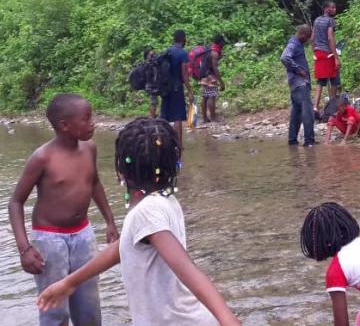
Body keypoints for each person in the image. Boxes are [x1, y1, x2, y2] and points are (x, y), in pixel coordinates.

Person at [36, 118, 241, 325]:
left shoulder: (146, 212)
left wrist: (228, 320)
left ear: (122, 169)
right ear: (174, 163)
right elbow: (122, 247)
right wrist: (70, 282)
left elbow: (187, 269)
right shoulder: (165, 199)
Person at [9, 93, 118, 326]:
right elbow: (15, 202)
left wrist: (109, 221)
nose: (93, 123)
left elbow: (95, 183)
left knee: (89, 305)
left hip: (83, 234)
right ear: (65, 125)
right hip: (50, 240)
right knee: (55, 308)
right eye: (86, 118)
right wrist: (24, 248)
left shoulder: (89, 149)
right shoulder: (43, 158)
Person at [281, 25, 315, 146]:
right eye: (307, 37)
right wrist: (299, 70)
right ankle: (309, 141)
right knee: (307, 112)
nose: (307, 40)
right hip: (300, 83)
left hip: (294, 83)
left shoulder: (295, 43)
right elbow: (285, 57)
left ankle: (292, 140)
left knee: (296, 111)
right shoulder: (294, 44)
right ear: (302, 34)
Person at [161, 29, 194, 149]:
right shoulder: (183, 53)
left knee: (164, 117)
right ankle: (179, 145)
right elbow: (185, 75)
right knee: (177, 117)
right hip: (176, 88)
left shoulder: (167, 51)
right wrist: (190, 90)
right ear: (184, 39)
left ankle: (161, 142)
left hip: (165, 88)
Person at [312, 1, 341, 115]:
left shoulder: (317, 20)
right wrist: (336, 57)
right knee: (334, 80)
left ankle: (315, 107)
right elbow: (330, 38)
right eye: (332, 7)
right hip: (328, 54)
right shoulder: (330, 21)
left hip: (318, 54)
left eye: (335, 7)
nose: (334, 9)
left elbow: (312, 39)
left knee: (320, 81)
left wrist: (314, 51)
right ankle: (331, 108)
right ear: (326, 9)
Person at [201, 34, 227, 123]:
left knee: (205, 96)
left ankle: (204, 118)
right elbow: (215, 68)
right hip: (210, 75)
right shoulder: (215, 53)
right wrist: (221, 82)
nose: (224, 44)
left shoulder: (210, 49)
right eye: (223, 42)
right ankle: (213, 117)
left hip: (203, 74)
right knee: (212, 95)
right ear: (220, 42)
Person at [144, 48, 158, 118]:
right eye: (151, 55)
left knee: (154, 101)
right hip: (152, 85)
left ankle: (154, 116)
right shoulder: (149, 63)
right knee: (153, 101)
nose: (153, 56)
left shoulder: (148, 63)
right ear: (147, 56)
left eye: (154, 54)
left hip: (152, 84)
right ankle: (153, 117)